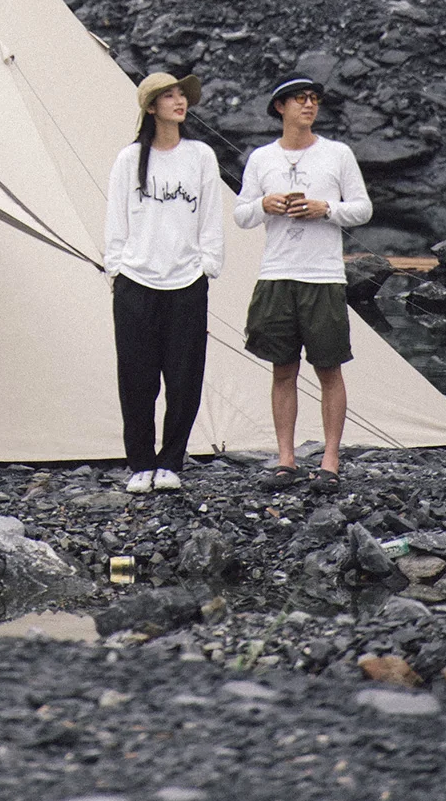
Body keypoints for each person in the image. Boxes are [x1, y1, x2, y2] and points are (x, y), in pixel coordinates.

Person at [233, 76, 372, 489]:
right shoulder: (262, 158)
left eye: (313, 99)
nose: (309, 105)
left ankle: (330, 460)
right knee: (282, 369)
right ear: (281, 107)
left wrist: (324, 209)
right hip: (276, 274)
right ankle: (286, 459)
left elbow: (362, 209)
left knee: (329, 368)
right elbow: (240, 215)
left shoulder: (337, 154)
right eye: (300, 99)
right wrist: (265, 203)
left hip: (323, 275)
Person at [103, 71, 225, 494]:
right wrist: (114, 268)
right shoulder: (128, 159)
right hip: (136, 279)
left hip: (187, 280)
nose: (179, 102)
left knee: (184, 374)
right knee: (136, 375)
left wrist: (209, 264)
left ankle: (171, 460)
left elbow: (210, 214)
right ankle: (140, 462)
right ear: (151, 108)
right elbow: (116, 219)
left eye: (181, 95)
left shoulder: (201, 156)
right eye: (168, 96)